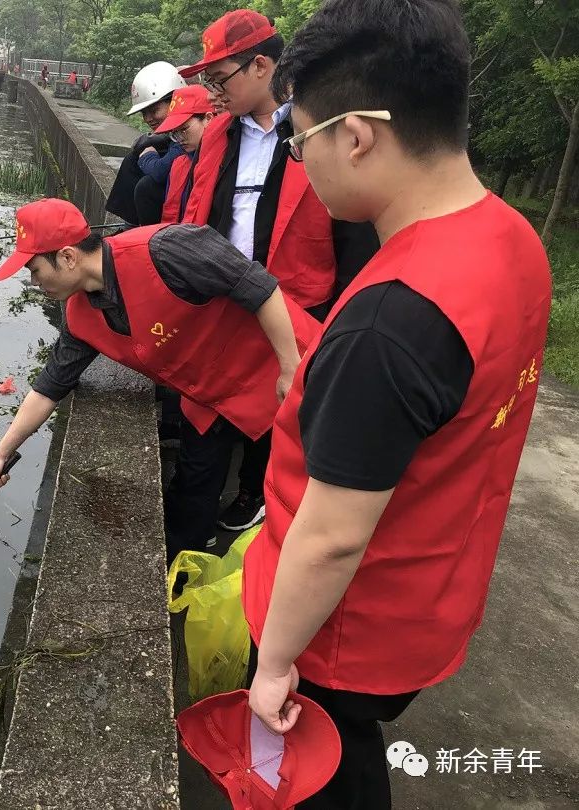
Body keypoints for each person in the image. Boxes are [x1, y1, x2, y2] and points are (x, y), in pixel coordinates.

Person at [241, 2, 552, 807]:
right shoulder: (512, 239)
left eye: (299, 141)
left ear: (356, 135)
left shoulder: (391, 320)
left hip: (341, 633)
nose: (300, 164)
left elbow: (332, 538)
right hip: (432, 594)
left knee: (314, 770)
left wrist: (274, 663)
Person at [0, 199, 322, 567]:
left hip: (283, 366)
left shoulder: (167, 249)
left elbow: (258, 286)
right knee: (192, 491)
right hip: (211, 396)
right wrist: (1, 454)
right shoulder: (81, 317)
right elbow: (50, 386)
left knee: (309, 478)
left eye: (34, 270)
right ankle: (185, 568)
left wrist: (291, 368)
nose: (34, 282)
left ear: (67, 257)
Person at [166, 10, 379, 547]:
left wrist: (339, 327)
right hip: (220, 314)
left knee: (279, 426)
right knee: (203, 431)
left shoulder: (323, 128)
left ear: (261, 66)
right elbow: (196, 216)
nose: (213, 92)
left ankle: (251, 501)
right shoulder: (218, 134)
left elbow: (353, 238)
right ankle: (185, 547)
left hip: (296, 310)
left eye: (220, 78)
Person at [105, 62, 187, 227]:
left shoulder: (185, 133)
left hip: (184, 191)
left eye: (154, 110)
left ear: (175, 101)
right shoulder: (174, 132)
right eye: (144, 113)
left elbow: (160, 171)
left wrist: (148, 157)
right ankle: (129, 225)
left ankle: (144, 235)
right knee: (131, 161)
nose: (148, 119)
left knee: (147, 187)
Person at [150, 85, 218, 223]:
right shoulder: (179, 164)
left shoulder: (225, 161)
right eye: (175, 133)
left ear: (208, 118)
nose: (180, 139)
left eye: (184, 129)